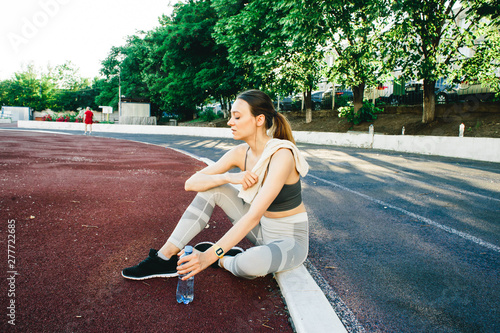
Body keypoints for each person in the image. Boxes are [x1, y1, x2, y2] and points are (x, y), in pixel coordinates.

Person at [122, 89, 309, 281]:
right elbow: (191, 183)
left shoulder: (282, 155)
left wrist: (209, 256)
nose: (230, 122)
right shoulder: (240, 153)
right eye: (231, 117)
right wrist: (229, 177)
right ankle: (163, 257)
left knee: (249, 264)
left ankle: (224, 260)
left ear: (259, 120)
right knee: (212, 188)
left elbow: (253, 216)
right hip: (261, 231)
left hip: (290, 240)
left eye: (237, 117)